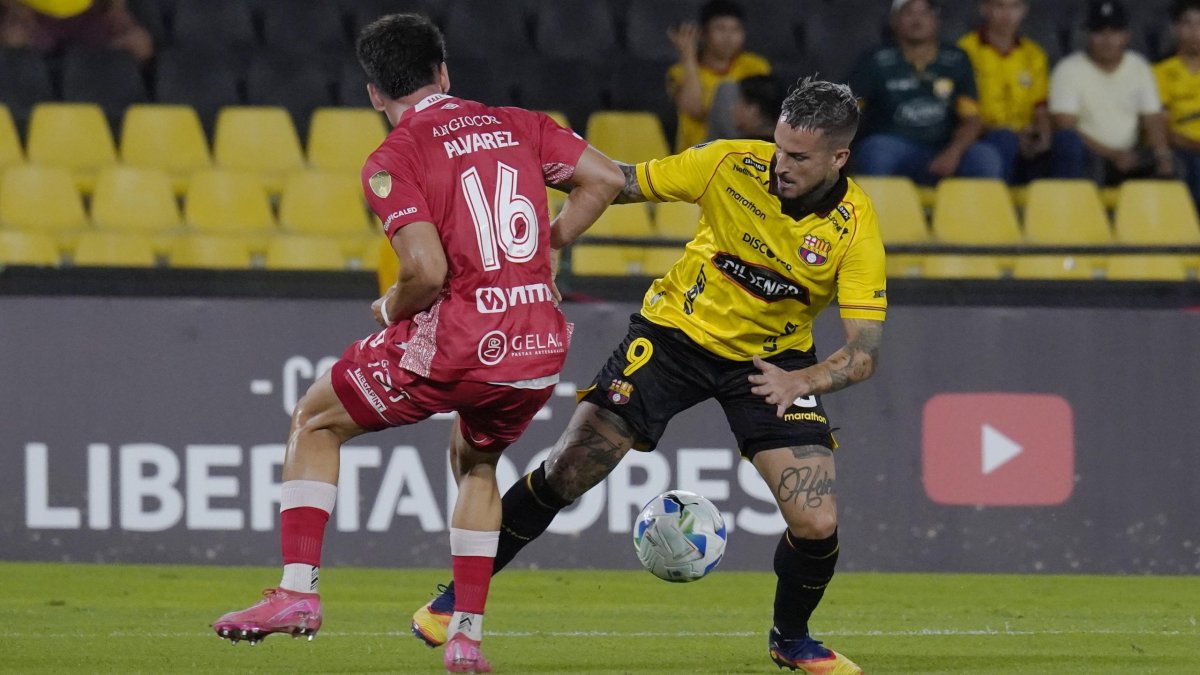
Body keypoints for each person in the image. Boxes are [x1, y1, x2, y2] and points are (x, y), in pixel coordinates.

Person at [411, 77, 885, 675]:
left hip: (774, 365)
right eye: (778, 146)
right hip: (672, 339)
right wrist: (540, 228)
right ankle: (452, 602)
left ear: (838, 158)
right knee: (568, 468)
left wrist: (803, 382)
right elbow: (621, 181)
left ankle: (791, 640)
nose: (779, 164)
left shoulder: (856, 226)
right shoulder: (725, 164)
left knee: (816, 520)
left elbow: (863, 351)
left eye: (798, 157)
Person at [211, 13, 624, 674]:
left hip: (462, 341)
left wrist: (387, 308)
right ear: (444, 71)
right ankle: (464, 633)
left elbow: (426, 273)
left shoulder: (394, 157)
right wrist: (550, 243)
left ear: (375, 94)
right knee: (478, 463)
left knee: (315, 419)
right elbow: (605, 180)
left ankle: (296, 592)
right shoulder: (519, 122)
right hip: (537, 345)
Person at [850, 0, 1005, 183]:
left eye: (925, 12)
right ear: (894, 20)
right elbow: (847, 110)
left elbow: (972, 119)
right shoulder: (875, 60)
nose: (917, 20)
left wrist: (953, 153)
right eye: (909, 13)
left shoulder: (957, 59)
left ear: (936, 19)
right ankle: (872, 211)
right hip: (896, 145)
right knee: (877, 150)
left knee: (985, 157)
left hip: (945, 148)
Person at [1049, 0, 1174, 184]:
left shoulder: (1139, 66)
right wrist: (1113, 155)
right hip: (1091, 154)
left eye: (1114, 32)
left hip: (1131, 153)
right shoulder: (1068, 69)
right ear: (1088, 35)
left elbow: (1152, 118)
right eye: (1100, 32)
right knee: (1069, 144)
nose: (1107, 40)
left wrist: (1162, 153)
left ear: (1126, 36)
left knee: (1173, 164)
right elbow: (1066, 126)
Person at [957, 0, 1059, 182]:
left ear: (1024, 11)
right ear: (985, 8)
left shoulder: (1034, 54)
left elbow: (1040, 107)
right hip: (984, 135)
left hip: (1026, 135)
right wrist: (1012, 135)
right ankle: (997, 205)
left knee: (1065, 142)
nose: (1007, 14)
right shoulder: (965, 50)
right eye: (999, 6)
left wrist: (1043, 136)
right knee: (1004, 138)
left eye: (1014, 7)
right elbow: (963, 111)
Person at [666, 0, 771, 151]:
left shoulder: (755, 66)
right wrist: (688, 55)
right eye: (720, 29)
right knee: (727, 90)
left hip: (743, 151)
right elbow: (694, 109)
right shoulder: (679, 71)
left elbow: (762, 116)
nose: (728, 37)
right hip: (697, 155)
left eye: (735, 30)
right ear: (703, 34)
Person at [0, 0, 152, 63]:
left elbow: (116, 9)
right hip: (36, 19)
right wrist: (16, 8)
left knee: (140, 45)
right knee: (14, 38)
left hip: (89, 18)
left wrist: (118, 10)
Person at [1155, 0, 1200, 204]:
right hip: (1183, 149)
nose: (1195, 32)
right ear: (1176, 28)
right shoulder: (1161, 72)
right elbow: (1163, 130)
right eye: (1188, 24)